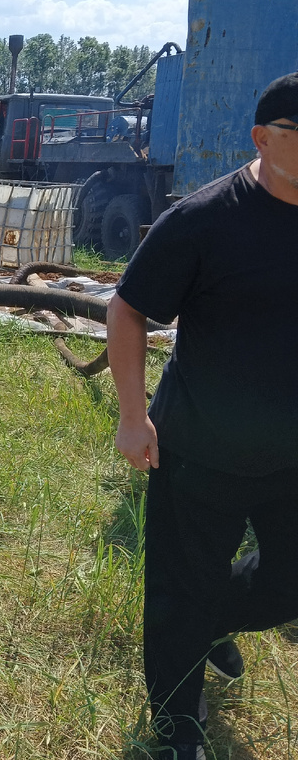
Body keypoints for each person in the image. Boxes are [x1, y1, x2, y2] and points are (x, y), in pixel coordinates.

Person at [108, 73, 298, 759]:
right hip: (200, 448)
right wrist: (133, 417)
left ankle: (209, 616)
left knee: (285, 584)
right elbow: (127, 308)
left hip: (291, 455)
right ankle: (176, 728)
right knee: (177, 597)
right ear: (263, 139)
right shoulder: (205, 219)